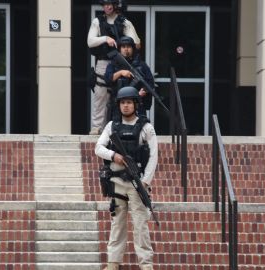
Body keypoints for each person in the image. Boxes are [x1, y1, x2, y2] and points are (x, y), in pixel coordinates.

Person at [95, 86, 157, 270]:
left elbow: (154, 156)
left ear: (135, 104)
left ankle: (146, 265)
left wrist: (145, 181)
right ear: (119, 105)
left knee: (140, 226)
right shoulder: (111, 126)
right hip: (117, 183)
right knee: (117, 225)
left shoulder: (146, 127)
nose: (126, 106)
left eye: (129, 102)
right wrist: (115, 156)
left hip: (137, 183)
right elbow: (98, 148)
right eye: (123, 102)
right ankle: (113, 264)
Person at [87, 0, 141, 135]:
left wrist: (123, 45)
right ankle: (97, 127)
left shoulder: (124, 22)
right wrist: (105, 38)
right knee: (100, 95)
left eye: (110, 3)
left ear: (116, 5)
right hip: (103, 62)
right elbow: (90, 41)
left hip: (120, 62)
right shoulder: (97, 22)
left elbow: (137, 43)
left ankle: (120, 127)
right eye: (104, 4)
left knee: (122, 94)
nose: (107, 7)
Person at [104, 36, 154, 120]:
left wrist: (143, 91)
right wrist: (121, 73)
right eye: (123, 47)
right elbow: (108, 79)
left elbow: (150, 83)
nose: (126, 49)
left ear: (133, 49)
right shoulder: (113, 64)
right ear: (119, 49)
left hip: (137, 104)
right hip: (117, 104)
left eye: (128, 47)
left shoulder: (141, 65)